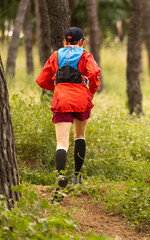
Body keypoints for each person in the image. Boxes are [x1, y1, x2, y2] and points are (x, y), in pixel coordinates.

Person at [36, 27, 101, 188]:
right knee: (80, 136)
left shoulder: (56, 55)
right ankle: (77, 177)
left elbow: (42, 80)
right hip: (81, 100)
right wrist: (90, 91)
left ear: (65, 41)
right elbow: (93, 74)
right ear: (81, 41)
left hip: (61, 100)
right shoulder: (86, 55)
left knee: (61, 143)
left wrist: (58, 87)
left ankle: (60, 175)